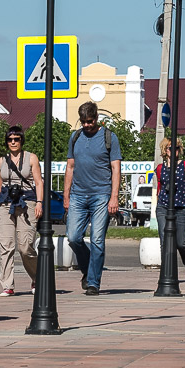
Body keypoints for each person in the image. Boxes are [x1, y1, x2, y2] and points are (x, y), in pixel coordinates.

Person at [63, 101, 122, 296]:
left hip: (101, 195)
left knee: (97, 240)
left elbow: (116, 168)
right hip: (78, 196)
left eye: (90, 121)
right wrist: (66, 195)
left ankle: (93, 282)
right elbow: (70, 167)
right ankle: (89, 268)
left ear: (96, 118)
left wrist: (114, 197)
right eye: (83, 122)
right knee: (73, 237)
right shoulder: (75, 137)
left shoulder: (109, 138)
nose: (87, 125)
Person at [0, 125, 42, 297]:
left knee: (25, 246)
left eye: (16, 139)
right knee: (6, 245)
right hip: (5, 203)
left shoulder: (31, 158)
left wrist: (40, 202)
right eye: (10, 139)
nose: (13, 142)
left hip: (27, 202)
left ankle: (37, 278)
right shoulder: (1, 161)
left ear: (21, 140)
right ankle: (7, 285)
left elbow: (39, 182)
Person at [153, 137, 185, 279]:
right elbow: (158, 188)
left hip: (181, 208)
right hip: (163, 207)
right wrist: (157, 204)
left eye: (177, 148)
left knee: (180, 243)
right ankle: (167, 272)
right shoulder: (160, 168)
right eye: (171, 148)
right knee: (165, 240)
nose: (174, 150)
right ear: (165, 150)